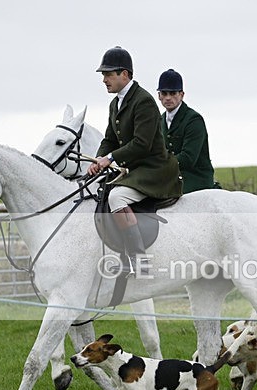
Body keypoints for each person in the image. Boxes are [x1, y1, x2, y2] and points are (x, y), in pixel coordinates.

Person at [87, 46, 181, 277]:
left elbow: (142, 144)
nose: (104, 79)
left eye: (108, 74)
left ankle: (139, 259)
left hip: (155, 169)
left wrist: (110, 158)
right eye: (103, 75)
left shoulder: (144, 101)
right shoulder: (115, 103)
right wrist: (99, 160)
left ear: (125, 75)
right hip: (135, 168)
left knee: (117, 197)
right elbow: (110, 139)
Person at [157, 69, 220, 193]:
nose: (168, 98)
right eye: (164, 93)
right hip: (170, 177)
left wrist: (159, 165)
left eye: (173, 93)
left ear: (181, 94)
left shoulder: (194, 119)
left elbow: (188, 159)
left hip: (195, 178)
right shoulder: (160, 120)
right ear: (159, 96)